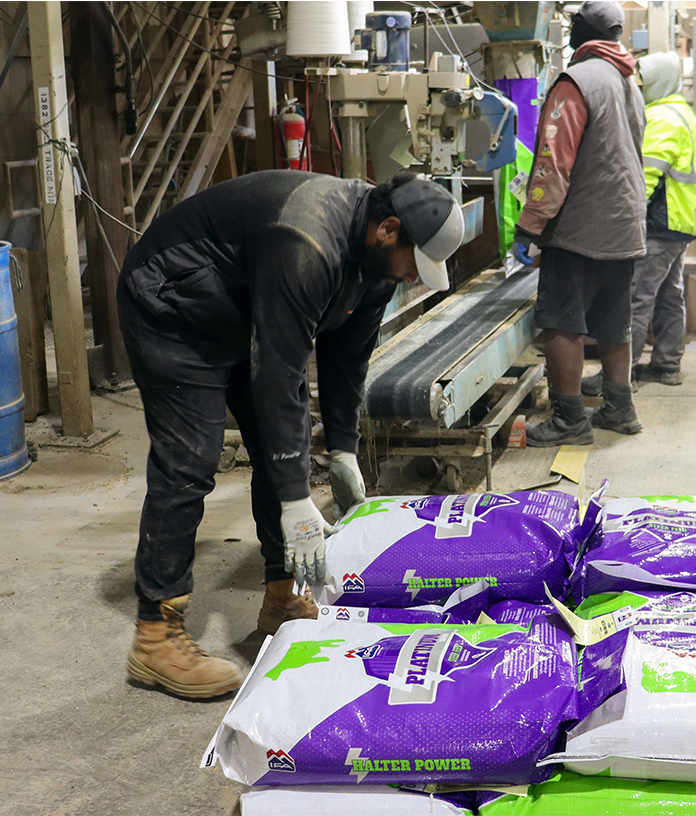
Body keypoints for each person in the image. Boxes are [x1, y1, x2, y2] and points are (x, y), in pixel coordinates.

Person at [117, 170, 463, 698]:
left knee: (286, 441)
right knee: (191, 458)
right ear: (388, 230)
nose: (415, 277)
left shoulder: (375, 263)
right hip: (174, 303)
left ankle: (282, 599)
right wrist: (297, 500)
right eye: (415, 265)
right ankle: (155, 637)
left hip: (237, 304)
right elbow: (279, 373)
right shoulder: (306, 242)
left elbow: (348, 359)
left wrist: (343, 448)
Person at [512, 0, 648, 446]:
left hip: (581, 227)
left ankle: (570, 420)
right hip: (624, 223)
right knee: (613, 320)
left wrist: (530, 225)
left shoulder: (577, 81)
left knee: (560, 320)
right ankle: (619, 407)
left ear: (579, 32)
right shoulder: (628, 80)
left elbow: (553, 162)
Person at [585, 51, 696, 396]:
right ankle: (667, 366)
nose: (637, 88)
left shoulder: (662, 118)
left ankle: (620, 378)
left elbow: (645, 177)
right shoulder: (684, 113)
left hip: (660, 223)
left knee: (636, 298)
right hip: (682, 223)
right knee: (670, 296)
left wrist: (624, 220)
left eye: (642, 81)